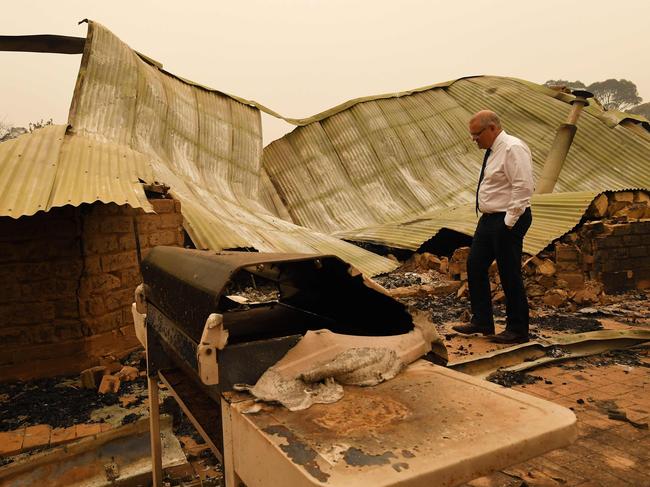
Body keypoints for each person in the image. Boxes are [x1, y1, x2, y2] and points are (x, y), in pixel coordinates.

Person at [452, 110, 534, 344]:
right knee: (475, 264)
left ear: (492, 128)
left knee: (509, 273)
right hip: (490, 219)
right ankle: (482, 321)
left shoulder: (512, 148)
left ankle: (517, 330)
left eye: (477, 134)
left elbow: (523, 187)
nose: (474, 139)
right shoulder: (493, 150)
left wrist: (508, 223)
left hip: (508, 218)